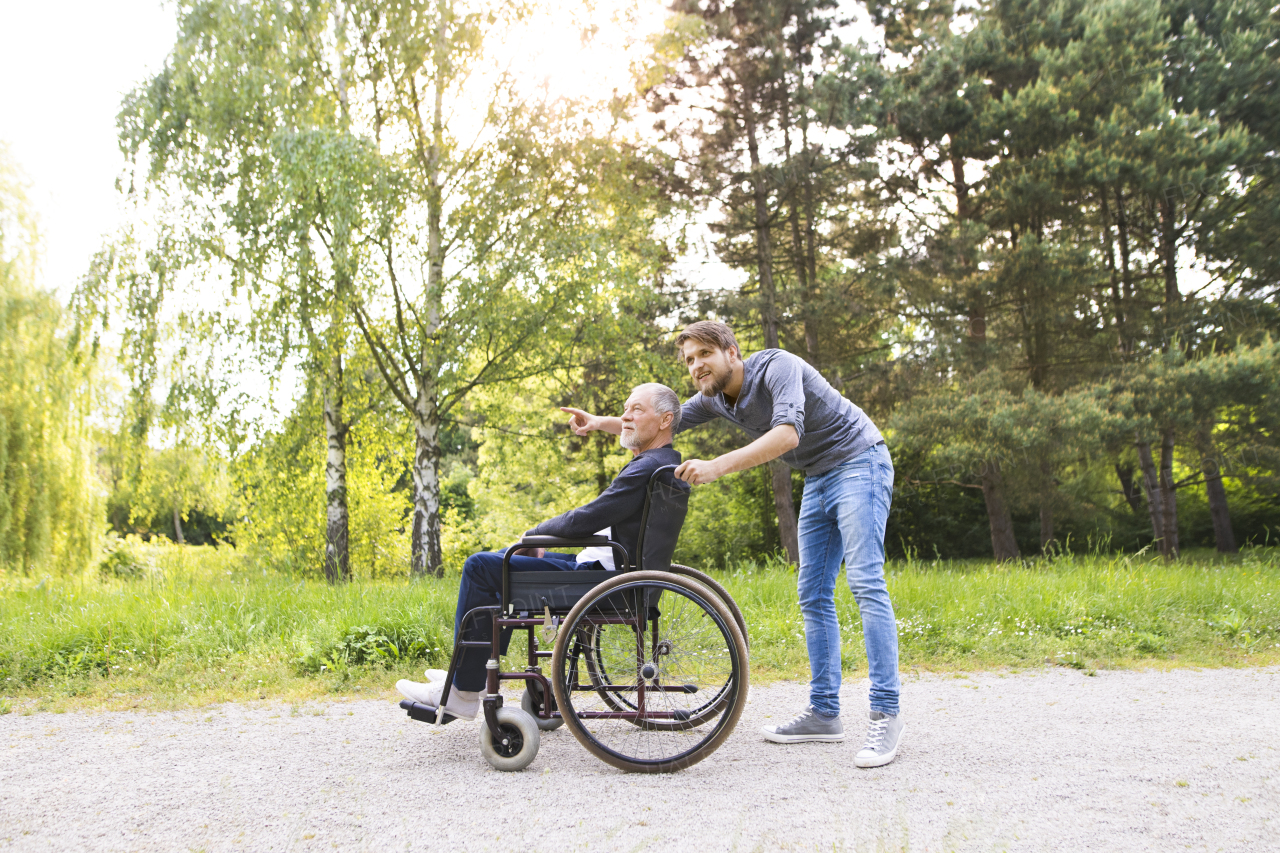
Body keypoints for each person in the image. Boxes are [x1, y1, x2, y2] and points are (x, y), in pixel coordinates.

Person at [561, 321, 904, 767]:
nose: (696, 365)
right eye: (689, 360)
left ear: (732, 352)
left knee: (863, 581)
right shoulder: (713, 399)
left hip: (860, 461)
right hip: (819, 477)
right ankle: (824, 713)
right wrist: (600, 423)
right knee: (813, 594)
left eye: (704, 354)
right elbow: (665, 418)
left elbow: (787, 435)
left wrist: (717, 466)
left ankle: (885, 711)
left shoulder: (777, 367)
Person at [396, 382, 683, 722]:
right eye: (625, 408)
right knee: (504, 561)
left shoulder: (645, 468)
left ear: (664, 420)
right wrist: (596, 422)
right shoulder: (662, 463)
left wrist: (536, 534)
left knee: (480, 567)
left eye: (636, 409)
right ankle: (466, 680)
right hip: (612, 572)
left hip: (602, 582)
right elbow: (596, 518)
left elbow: (588, 517)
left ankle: (463, 690)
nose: (625, 416)